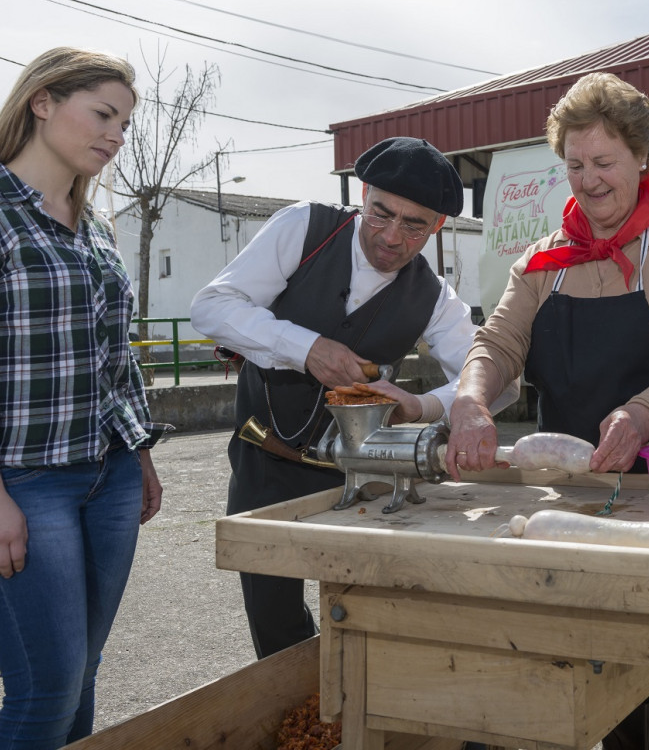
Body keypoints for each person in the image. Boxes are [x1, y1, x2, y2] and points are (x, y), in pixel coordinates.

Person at [445, 72, 649, 750]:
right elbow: (497, 342)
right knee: (591, 669)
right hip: (573, 502)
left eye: (603, 162)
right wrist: (469, 398)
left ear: (643, 159)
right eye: (574, 165)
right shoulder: (542, 262)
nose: (589, 180)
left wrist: (640, 414)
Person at [190, 136, 516, 660]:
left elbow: (497, 379)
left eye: (414, 225)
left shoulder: (434, 296)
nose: (391, 237)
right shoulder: (304, 228)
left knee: (362, 611)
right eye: (381, 213)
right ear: (363, 194)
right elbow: (211, 307)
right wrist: (306, 348)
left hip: (361, 474)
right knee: (273, 623)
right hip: (264, 460)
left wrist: (422, 406)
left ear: (437, 227)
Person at [0, 47, 167, 749]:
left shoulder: (99, 230)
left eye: (124, 124)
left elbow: (115, 363)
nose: (115, 136)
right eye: (103, 115)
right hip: (23, 483)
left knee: (81, 675)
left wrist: (139, 452)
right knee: (45, 689)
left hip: (108, 476)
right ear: (43, 102)